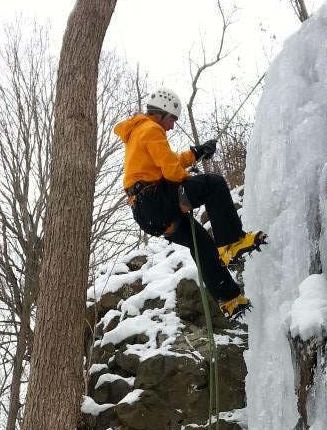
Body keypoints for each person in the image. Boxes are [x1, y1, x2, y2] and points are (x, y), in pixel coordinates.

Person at [114, 87, 266, 322]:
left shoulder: (139, 133)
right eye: (172, 119)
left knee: (202, 244)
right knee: (214, 184)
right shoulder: (151, 129)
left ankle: (229, 299)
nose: (172, 126)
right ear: (162, 114)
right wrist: (188, 180)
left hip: (148, 214)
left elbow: (169, 161)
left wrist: (196, 153)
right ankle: (232, 242)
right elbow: (172, 172)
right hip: (155, 200)